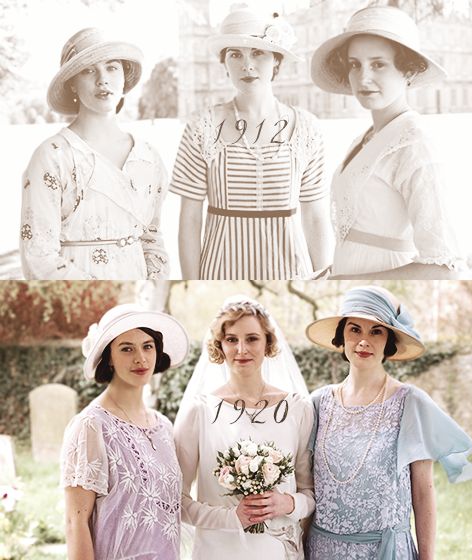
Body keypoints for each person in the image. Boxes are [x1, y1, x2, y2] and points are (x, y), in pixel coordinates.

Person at [305, 285, 472, 559]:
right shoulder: (318, 402)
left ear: (389, 341)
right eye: (355, 329)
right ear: (341, 335)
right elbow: (305, 483)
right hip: (322, 550)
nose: (364, 341)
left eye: (375, 331)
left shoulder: (410, 402)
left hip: (384, 551)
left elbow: (423, 492)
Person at [170, 7, 333, 280]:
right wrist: (193, 282)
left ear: (276, 61)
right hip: (220, 270)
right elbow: (189, 219)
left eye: (258, 53)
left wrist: (322, 278)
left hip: (290, 271)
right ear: (224, 64)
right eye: (235, 55)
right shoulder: (202, 126)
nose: (247, 65)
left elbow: (315, 216)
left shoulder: (307, 128)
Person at [311, 6, 460, 279]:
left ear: (408, 71)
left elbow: (443, 269)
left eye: (378, 64)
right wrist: (331, 273)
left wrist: (343, 280)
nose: (363, 77)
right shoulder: (366, 138)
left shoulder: (416, 145)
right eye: (355, 65)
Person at [21, 28, 169, 280]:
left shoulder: (149, 157)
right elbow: (38, 254)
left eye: (112, 68)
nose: (102, 79)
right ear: (73, 85)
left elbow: (152, 240)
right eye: (88, 70)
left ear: (124, 77)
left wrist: (149, 284)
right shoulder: (53, 156)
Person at [173, 296, 315, 559]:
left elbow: (310, 492)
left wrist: (289, 503)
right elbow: (176, 500)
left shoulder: (297, 408)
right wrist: (231, 518)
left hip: (278, 550)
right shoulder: (200, 411)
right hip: (219, 550)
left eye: (252, 338)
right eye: (231, 340)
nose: (241, 349)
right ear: (219, 345)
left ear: (268, 342)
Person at [60, 304, 189, 560]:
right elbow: (76, 524)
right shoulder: (91, 426)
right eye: (127, 348)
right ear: (108, 356)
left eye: (147, 346)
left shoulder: (163, 426)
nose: (140, 358)